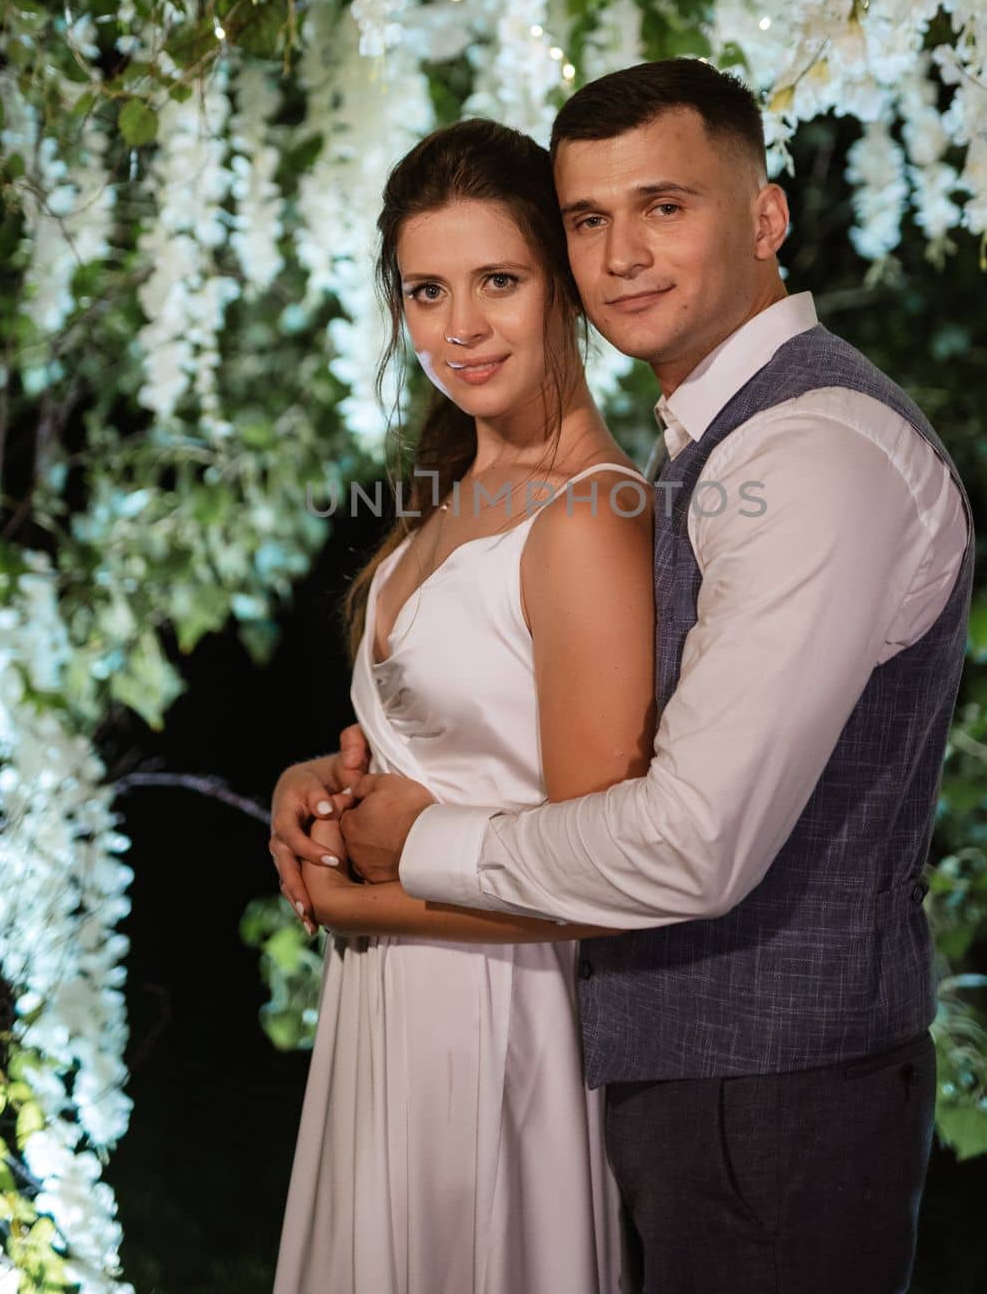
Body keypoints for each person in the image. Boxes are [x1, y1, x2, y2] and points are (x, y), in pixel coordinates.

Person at [278, 58, 976, 1293]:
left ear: (766, 217)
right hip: (686, 1080)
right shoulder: (705, 449)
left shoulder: (804, 451)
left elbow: (688, 840)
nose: (623, 254)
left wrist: (393, 864)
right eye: (592, 218)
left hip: (766, 1085)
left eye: (667, 205)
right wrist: (331, 793)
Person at [270, 117, 655, 1294]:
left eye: (499, 280)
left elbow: (599, 883)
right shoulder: (454, 494)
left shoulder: (590, 518)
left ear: (567, 283)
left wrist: (367, 894)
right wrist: (313, 784)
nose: (461, 327)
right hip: (386, 1008)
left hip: (500, 1024)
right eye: (426, 290)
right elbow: (433, 736)